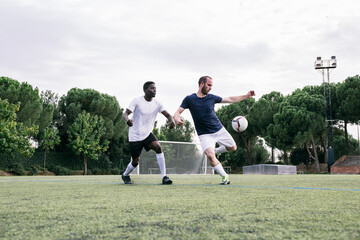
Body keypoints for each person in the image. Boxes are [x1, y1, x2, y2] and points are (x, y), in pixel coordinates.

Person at [173, 76, 255, 185]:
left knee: (233, 147)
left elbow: (230, 99)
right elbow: (177, 113)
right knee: (210, 155)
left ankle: (215, 150)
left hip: (218, 129)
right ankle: (225, 177)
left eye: (211, 85)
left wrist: (246, 96)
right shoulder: (189, 99)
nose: (210, 88)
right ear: (202, 84)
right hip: (204, 134)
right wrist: (177, 119)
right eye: (209, 85)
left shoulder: (211, 97)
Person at [122, 81, 175, 184]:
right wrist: (127, 120)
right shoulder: (137, 101)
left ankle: (164, 177)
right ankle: (125, 175)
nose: (154, 90)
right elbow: (125, 114)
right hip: (135, 136)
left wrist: (171, 121)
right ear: (145, 90)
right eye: (152, 88)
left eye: (155, 88)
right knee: (135, 162)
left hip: (147, 134)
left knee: (158, 147)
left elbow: (168, 115)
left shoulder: (157, 103)